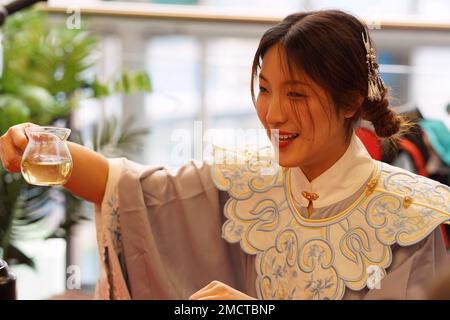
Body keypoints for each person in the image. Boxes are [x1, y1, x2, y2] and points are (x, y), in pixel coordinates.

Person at [1, 10, 449, 300]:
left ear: (350, 100)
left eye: (295, 94)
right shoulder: (249, 180)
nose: (272, 114)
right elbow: (130, 190)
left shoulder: (411, 217)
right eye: (265, 90)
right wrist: (39, 143)